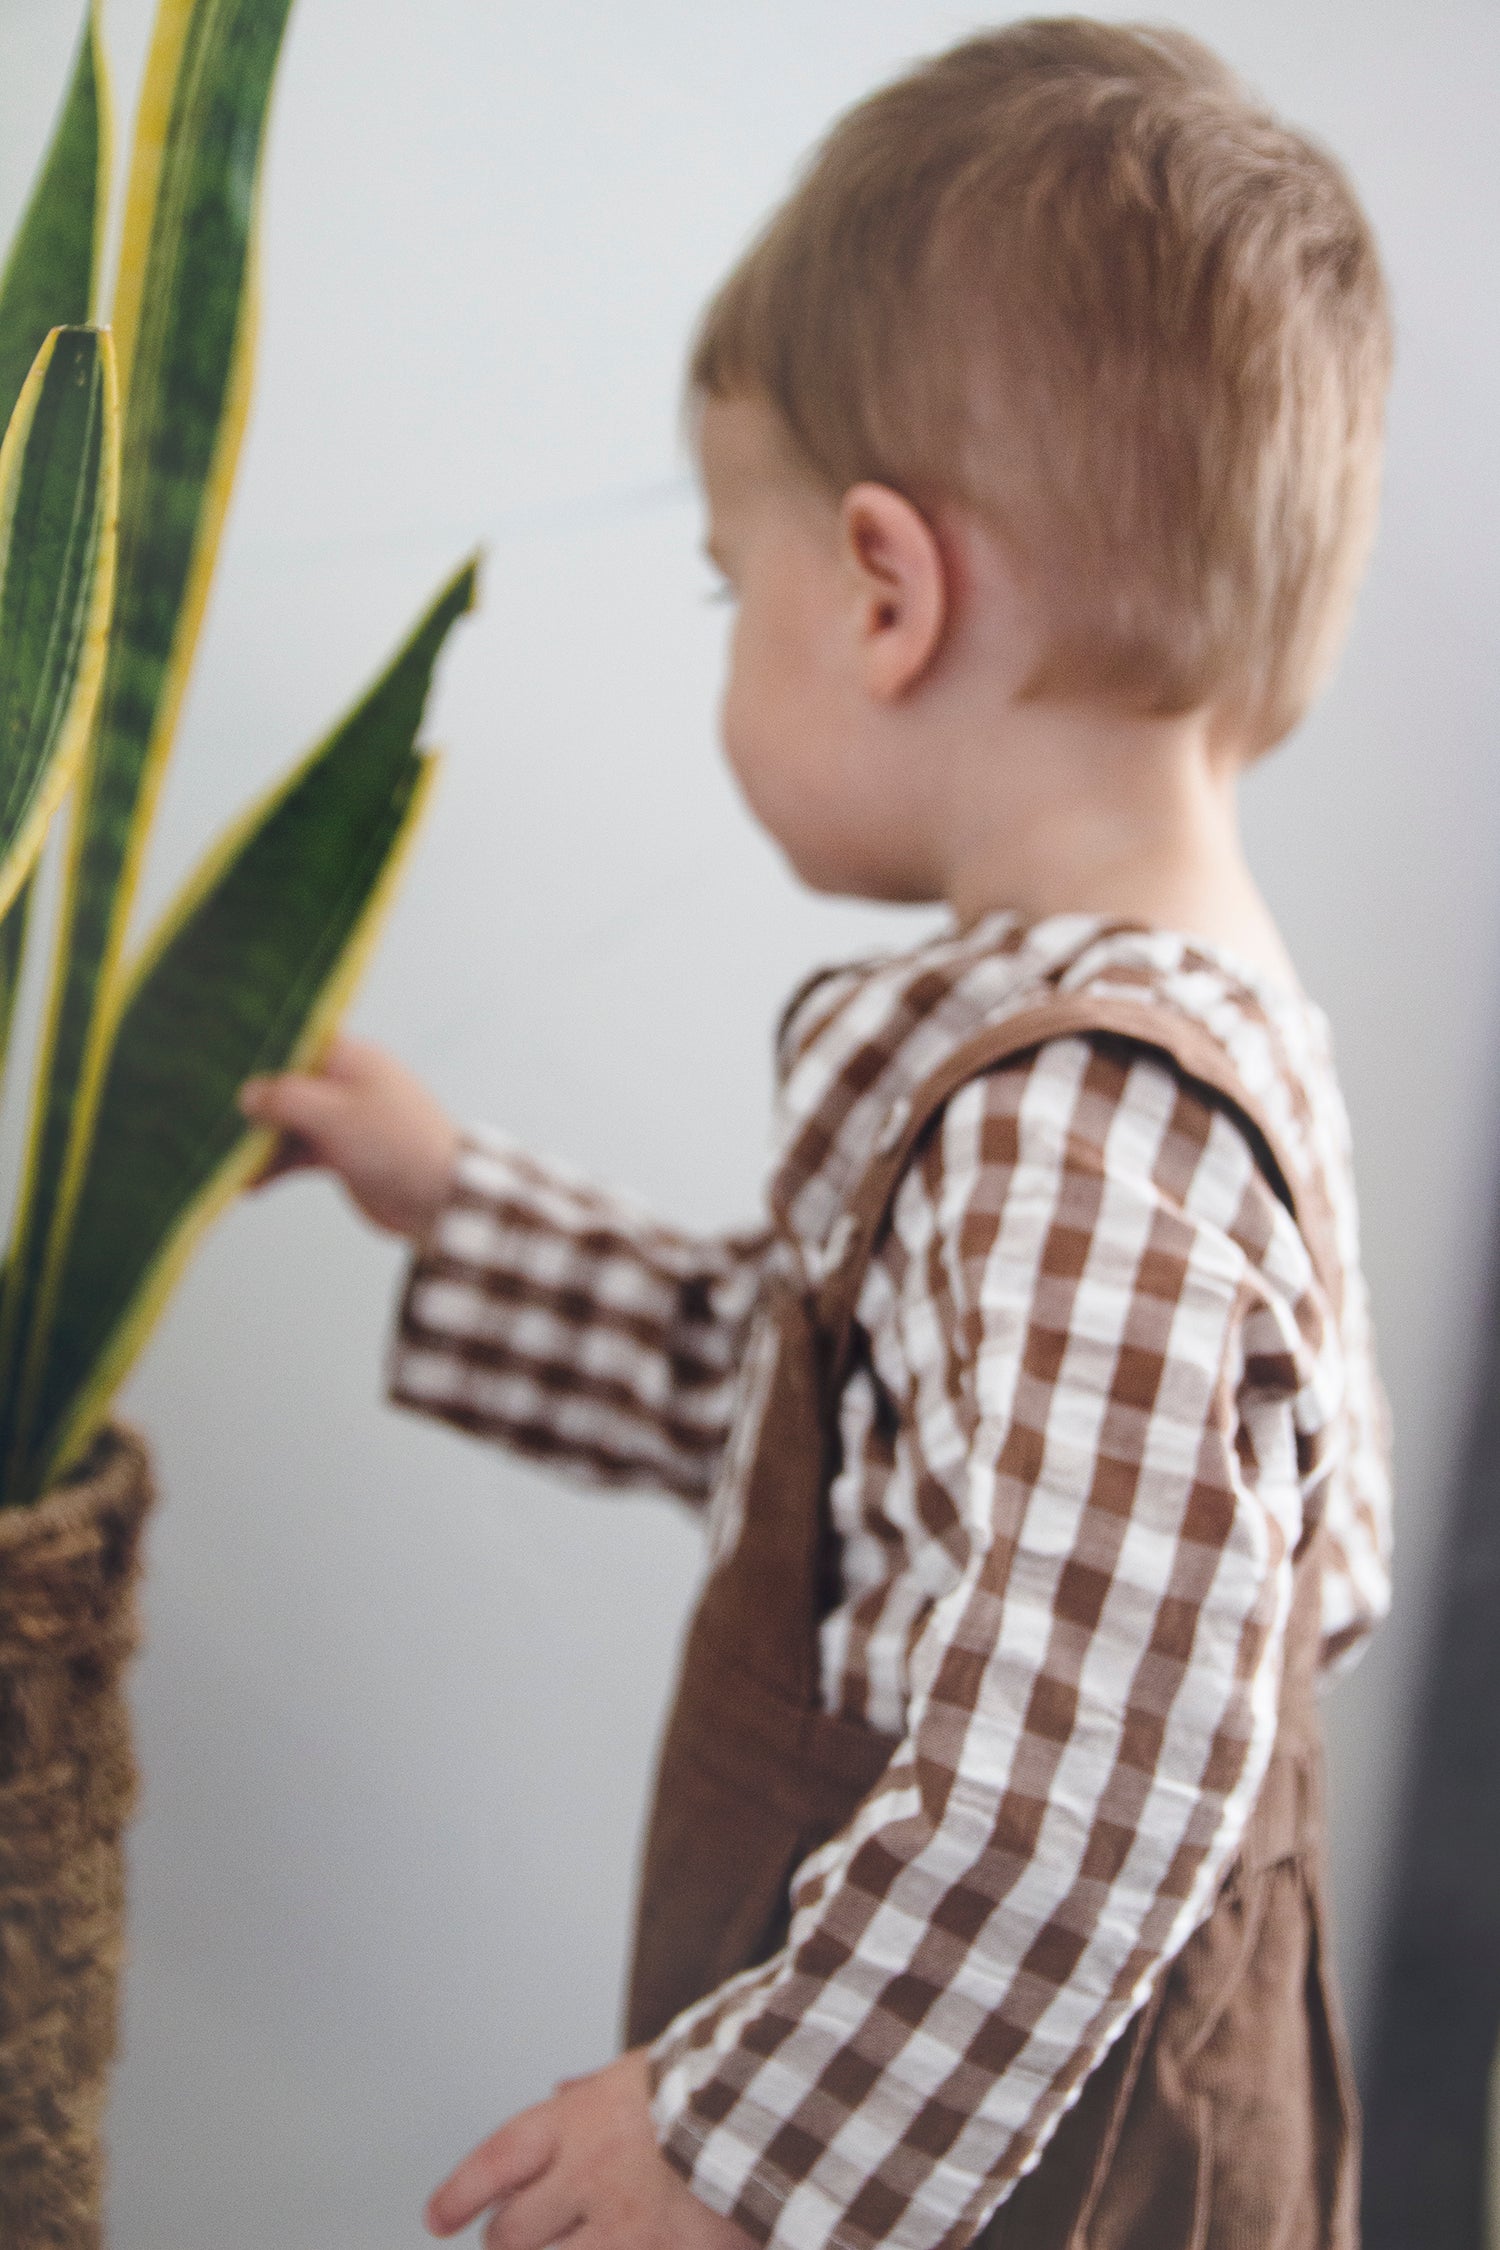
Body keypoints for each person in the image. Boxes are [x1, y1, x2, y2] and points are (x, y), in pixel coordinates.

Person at [238, 19, 1394, 2248]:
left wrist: (733, 2147)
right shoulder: (1163, 1046)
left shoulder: (1076, 1139)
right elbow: (841, 1456)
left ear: (883, 593)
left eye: (722, 578)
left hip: (1000, 2175)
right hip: (947, 2104)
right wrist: (455, 1202)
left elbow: (1077, 1795)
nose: (724, 635)